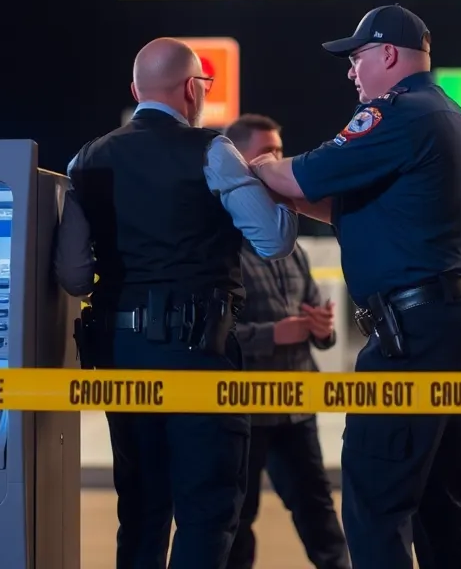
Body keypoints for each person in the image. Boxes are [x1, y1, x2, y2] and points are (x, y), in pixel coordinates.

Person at [248, 5, 461, 569]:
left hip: (415, 332)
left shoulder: (396, 114)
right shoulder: (453, 119)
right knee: (438, 500)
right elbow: (342, 206)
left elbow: (300, 175)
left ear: (388, 55)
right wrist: (286, 191)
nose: (351, 73)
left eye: (357, 58)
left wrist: (259, 166)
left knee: (374, 501)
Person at [54, 37, 300, 569]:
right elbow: (273, 241)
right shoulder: (212, 151)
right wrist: (270, 182)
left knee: (141, 509)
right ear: (192, 89)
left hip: (120, 356)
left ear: (136, 90)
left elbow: (74, 276)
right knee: (207, 508)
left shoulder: (86, 159)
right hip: (199, 355)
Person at [221, 113, 351, 569]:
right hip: (246, 410)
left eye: (280, 149)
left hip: (296, 404)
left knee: (319, 514)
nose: (278, 159)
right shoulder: (223, 244)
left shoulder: (290, 240)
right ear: (238, 162)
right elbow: (219, 334)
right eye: (267, 152)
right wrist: (272, 334)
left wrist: (322, 328)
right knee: (237, 518)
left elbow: (320, 321)